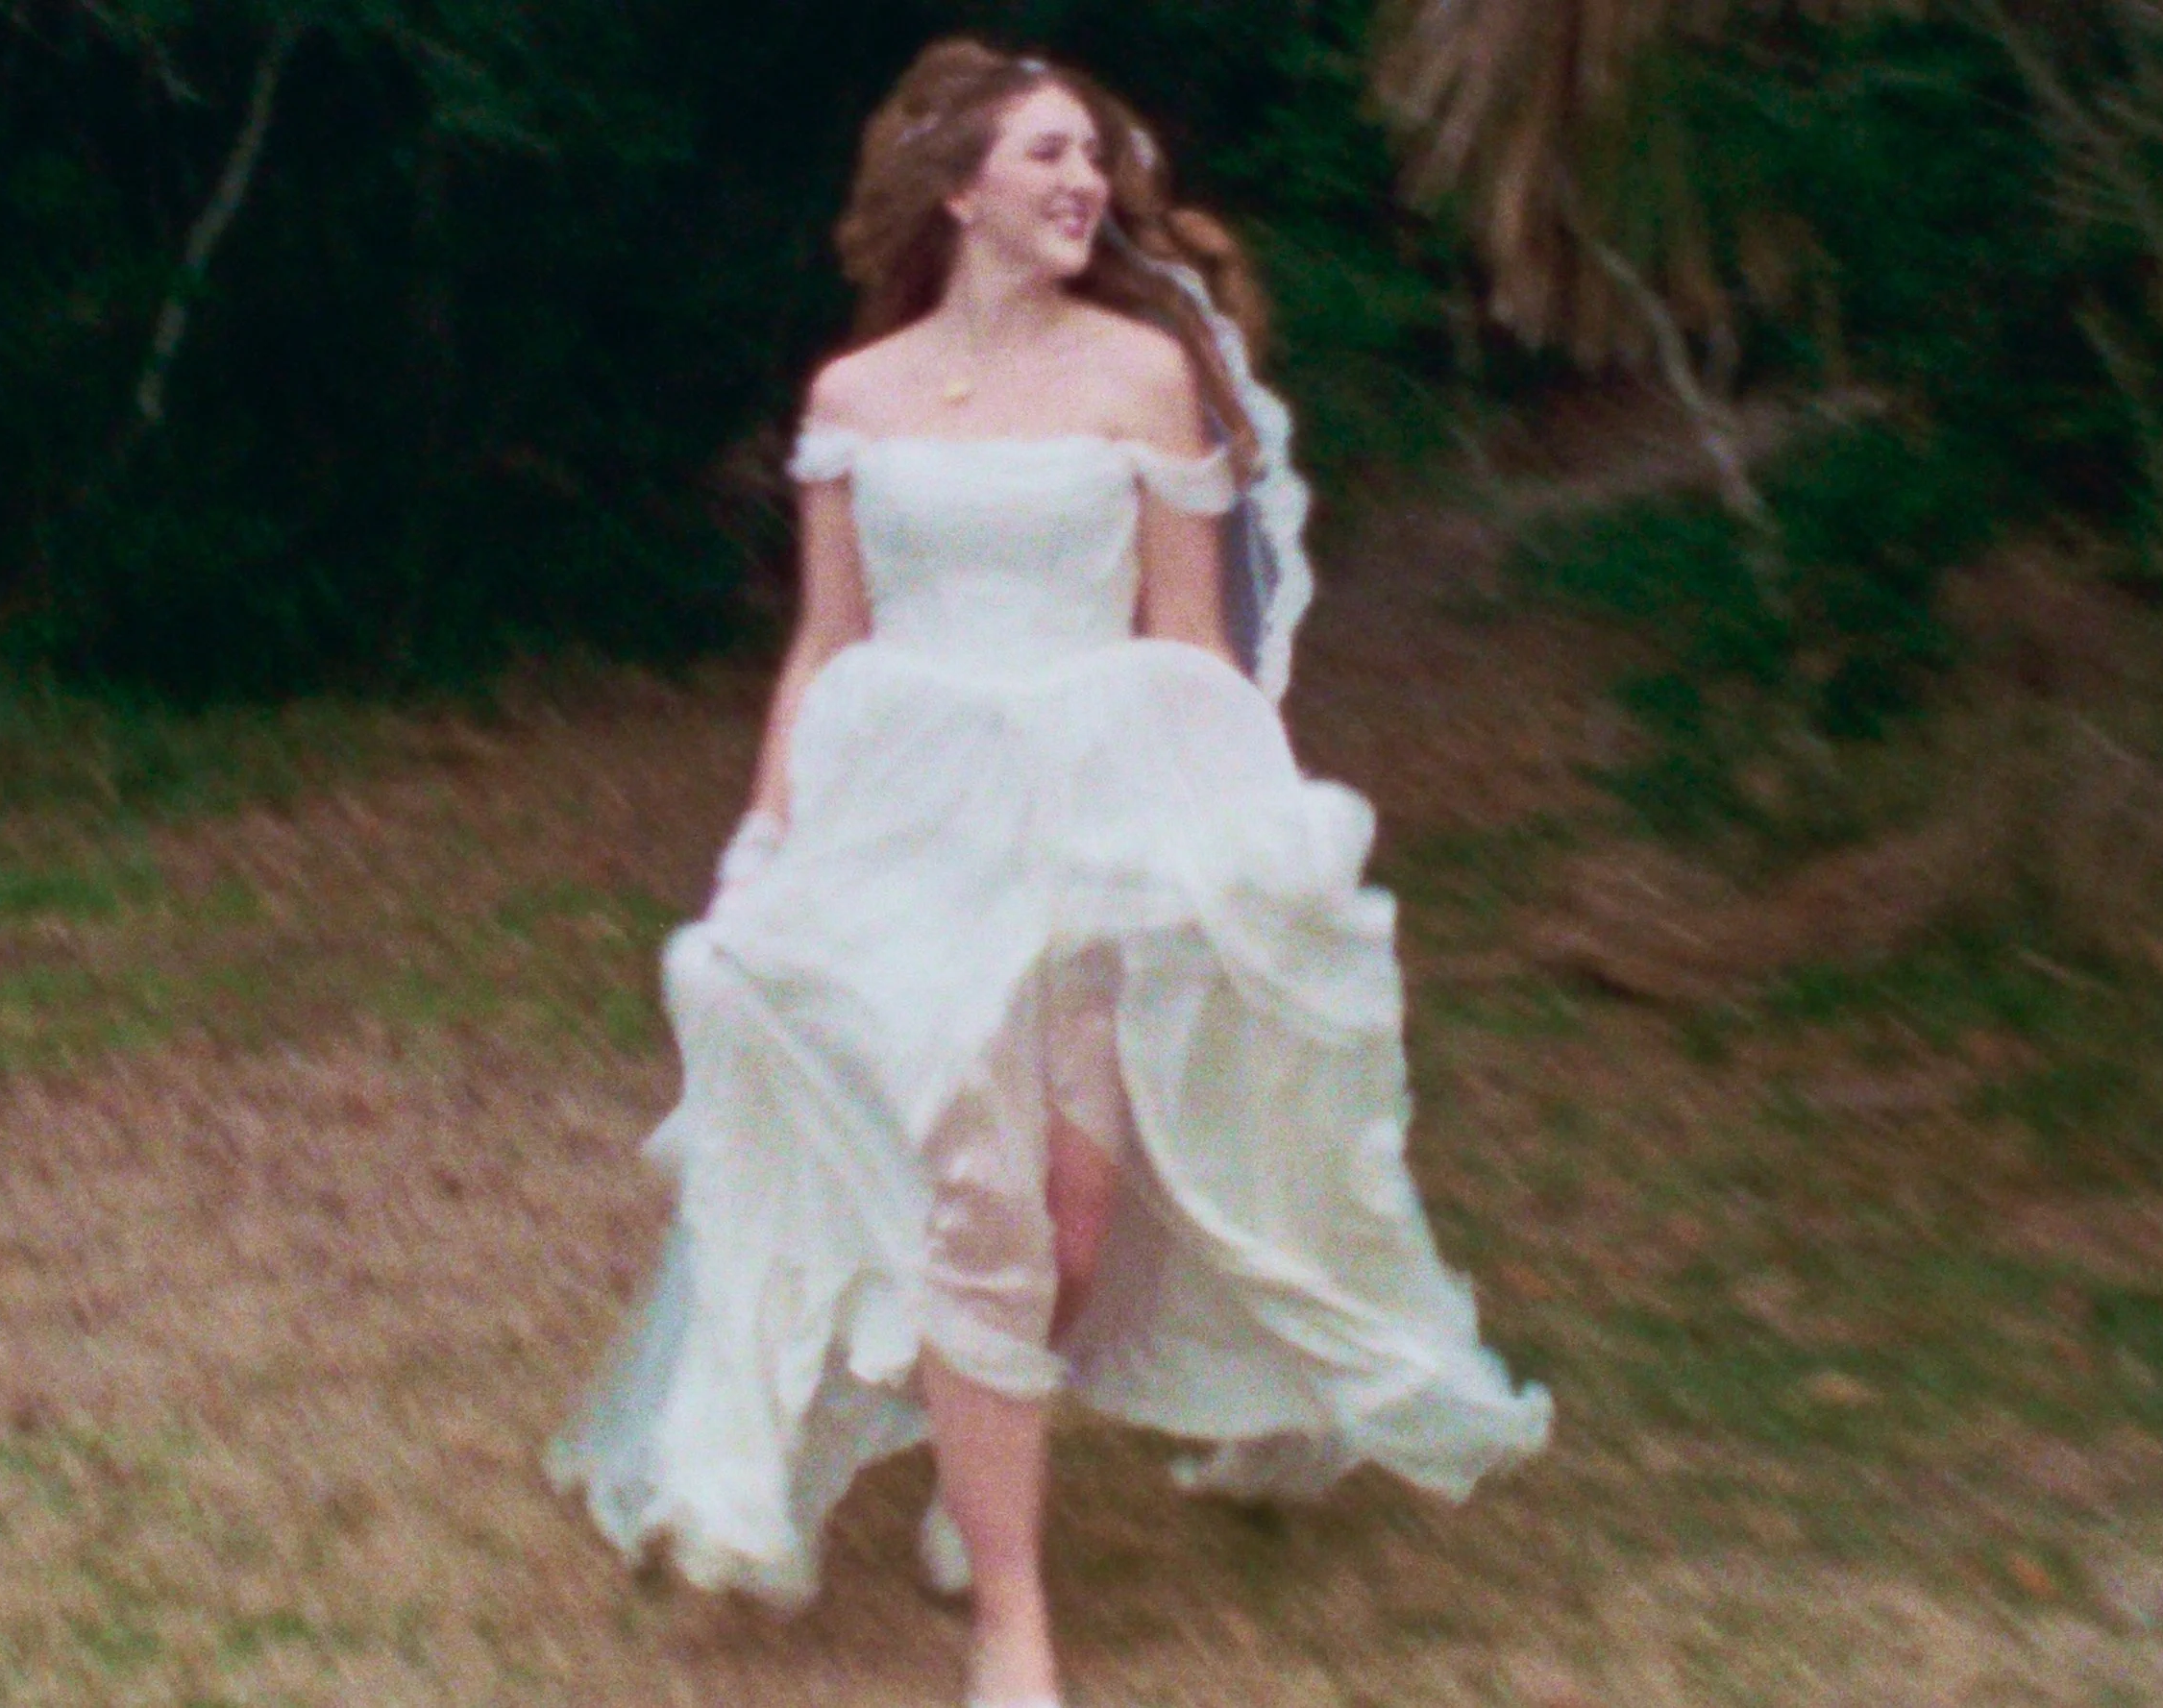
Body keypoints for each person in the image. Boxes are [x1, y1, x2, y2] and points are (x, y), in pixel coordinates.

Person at [546, 38, 1550, 1708]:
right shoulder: (855, 401)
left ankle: (972, 1457)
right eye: (1047, 157)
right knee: (980, 1203)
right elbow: (824, 642)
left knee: (1076, 1218)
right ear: (959, 189)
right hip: (909, 825)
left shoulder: (1141, 379)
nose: (1085, 184)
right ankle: (1016, 1616)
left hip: (1092, 813)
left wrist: (1250, 836)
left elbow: (1193, 641)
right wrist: (763, 831)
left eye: (1093, 158)